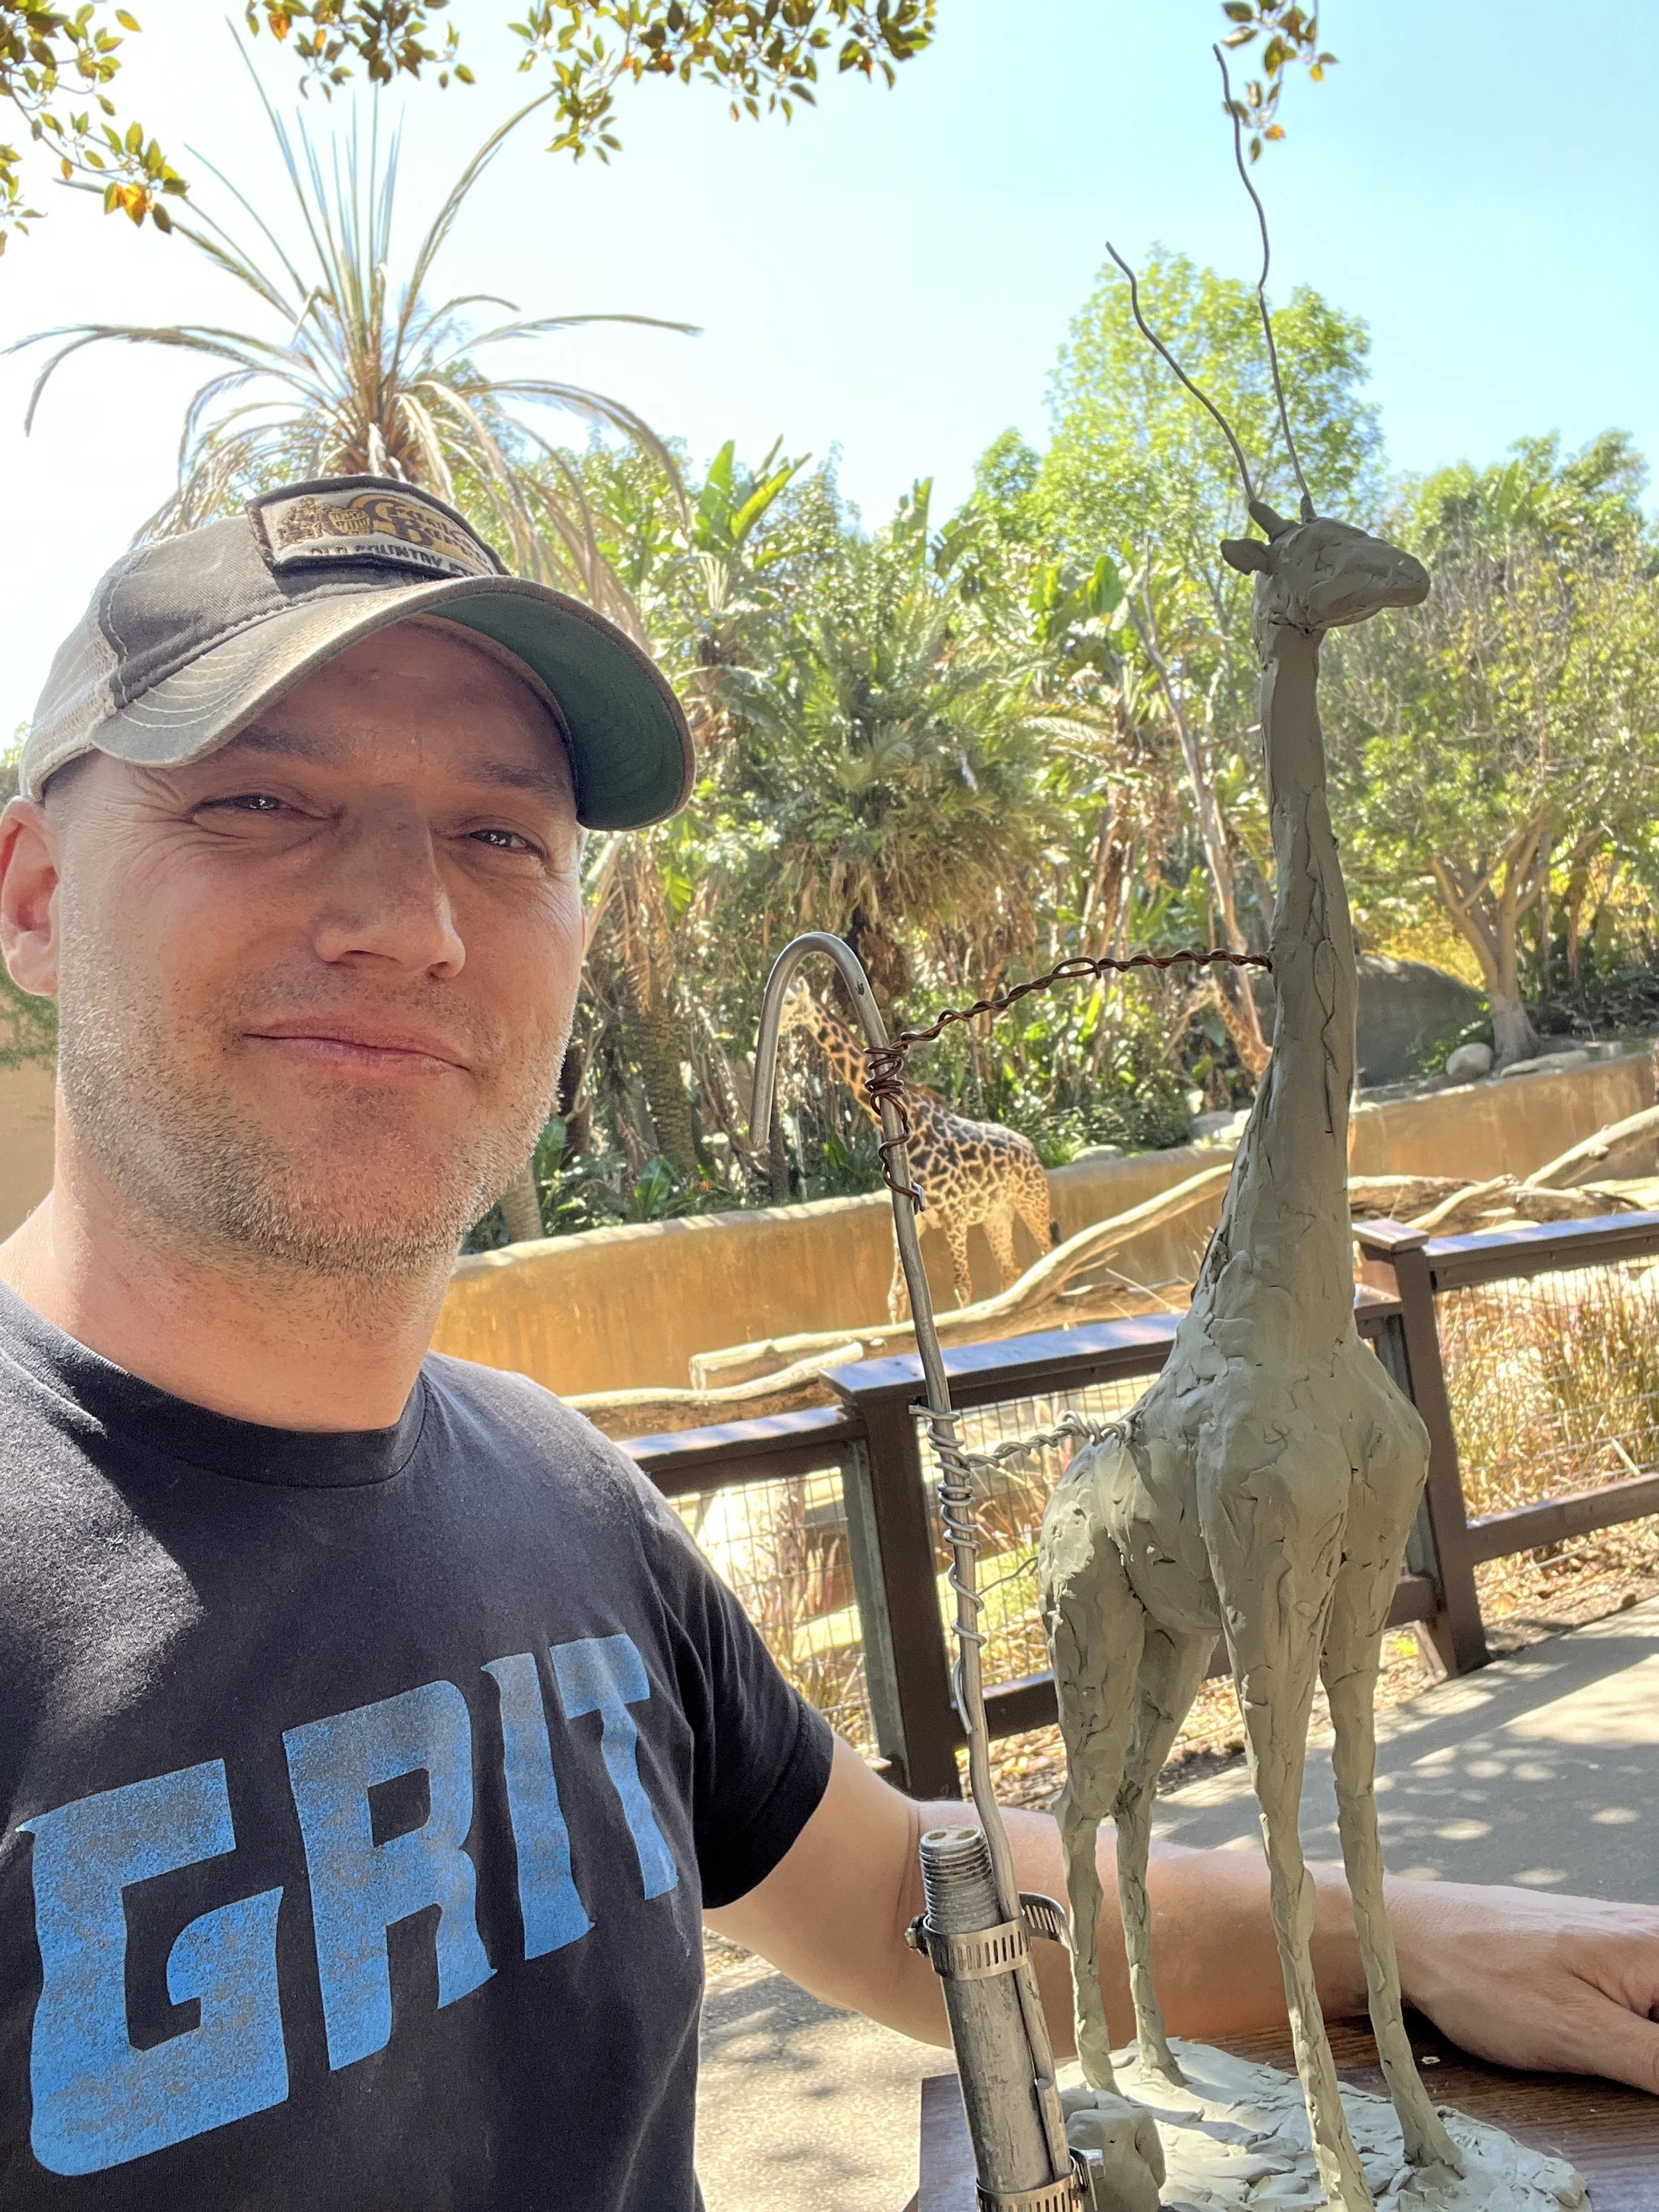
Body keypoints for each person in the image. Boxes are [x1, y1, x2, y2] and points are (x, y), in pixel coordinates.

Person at [0, 477, 1654, 2212]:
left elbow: (898, 1900)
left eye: (502, 840)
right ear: (35, 895)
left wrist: (1421, 1941)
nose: (410, 921)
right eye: (263, 799)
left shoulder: (563, 1502)